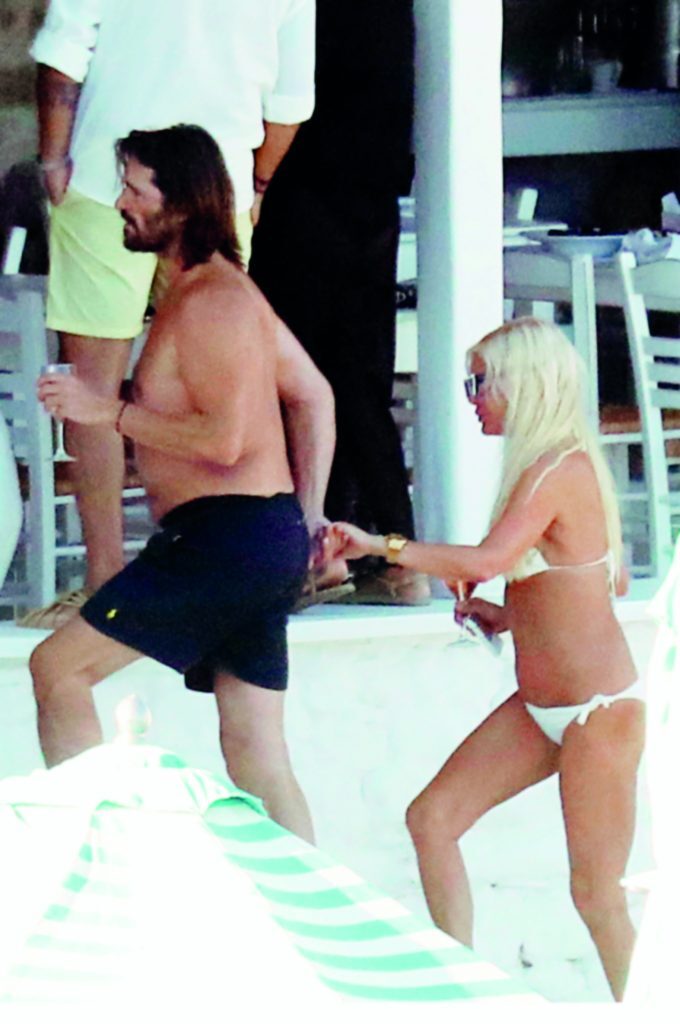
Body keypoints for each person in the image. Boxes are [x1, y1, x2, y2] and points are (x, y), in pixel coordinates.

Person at [29, 124, 336, 844]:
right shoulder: (217, 294)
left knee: (57, 670)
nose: (121, 203)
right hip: (252, 537)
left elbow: (226, 441)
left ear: (183, 203)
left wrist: (108, 412)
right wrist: (308, 518)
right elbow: (314, 396)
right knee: (255, 750)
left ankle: (100, 859)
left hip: (224, 537)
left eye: (136, 190)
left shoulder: (215, 303)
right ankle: (310, 899)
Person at [331, 317, 645, 1000]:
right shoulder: (545, 468)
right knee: (432, 820)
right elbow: (592, 584)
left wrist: (380, 545)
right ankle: (464, 994)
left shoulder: (559, 468)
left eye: (480, 383)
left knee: (597, 895)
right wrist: (508, 615)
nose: (471, 398)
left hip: (595, 712)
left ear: (522, 385)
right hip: (543, 706)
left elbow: (488, 561)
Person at [23, 0, 315, 627]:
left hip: (109, 184)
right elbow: (290, 104)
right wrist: (257, 185)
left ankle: (105, 583)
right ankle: (216, 569)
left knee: (91, 387)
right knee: (224, 389)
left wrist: (52, 159)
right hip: (218, 188)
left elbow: (62, 55)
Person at [249, 0, 429, 606]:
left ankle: (338, 552)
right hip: (368, 192)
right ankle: (366, 552)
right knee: (355, 379)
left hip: (306, 192)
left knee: (306, 380)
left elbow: (289, 92)